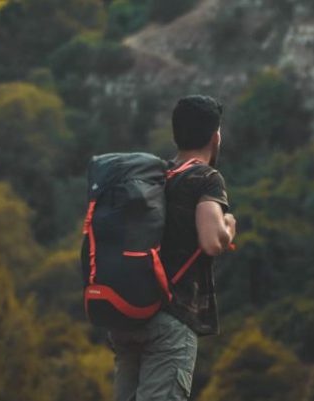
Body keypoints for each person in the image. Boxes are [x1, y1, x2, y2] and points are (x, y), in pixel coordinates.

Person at [107, 95, 236, 401]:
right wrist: (229, 224)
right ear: (214, 137)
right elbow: (211, 240)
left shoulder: (155, 176)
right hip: (171, 318)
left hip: (127, 316)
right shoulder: (206, 178)